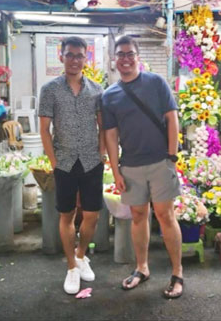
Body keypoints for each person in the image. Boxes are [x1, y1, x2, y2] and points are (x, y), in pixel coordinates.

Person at [101, 35, 183, 299]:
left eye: (130, 54)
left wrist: (171, 156)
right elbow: (110, 136)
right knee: (138, 216)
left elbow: (172, 119)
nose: (125, 59)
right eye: (120, 54)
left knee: (165, 216)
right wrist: (116, 171)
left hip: (160, 162)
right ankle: (142, 268)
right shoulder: (109, 96)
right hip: (131, 165)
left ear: (138, 57)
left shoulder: (156, 83)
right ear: (114, 60)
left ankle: (177, 273)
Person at [38, 36, 105, 295]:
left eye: (79, 55)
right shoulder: (50, 90)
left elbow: (103, 126)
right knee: (66, 215)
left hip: (91, 161)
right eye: (70, 55)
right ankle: (71, 268)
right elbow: (44, 130)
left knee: (92, 215)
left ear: (86, 58)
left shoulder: (97, 90)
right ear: (61, 56)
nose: (75, 60)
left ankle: (80, 254)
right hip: (64, 162)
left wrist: (101, 154)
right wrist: (54, 162)